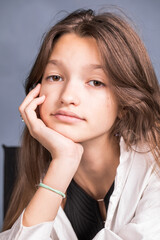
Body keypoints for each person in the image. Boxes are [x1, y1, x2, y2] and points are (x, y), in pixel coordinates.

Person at [1, 8, 160, 240]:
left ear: (126, 103)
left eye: (95, 82)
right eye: (55, 77)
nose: (67, 97)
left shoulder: (154, 166)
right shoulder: (28, 169)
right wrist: (63, 162)